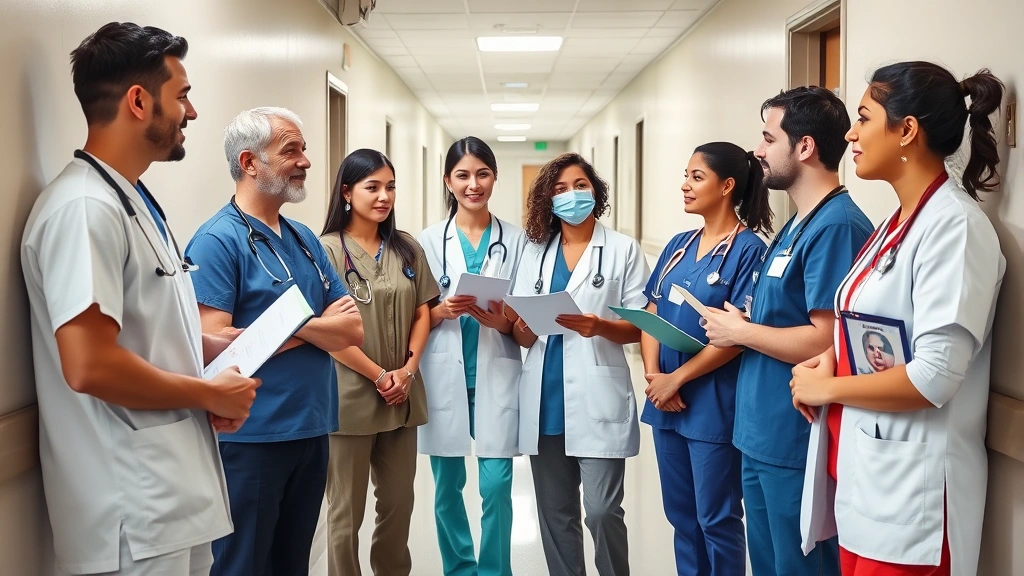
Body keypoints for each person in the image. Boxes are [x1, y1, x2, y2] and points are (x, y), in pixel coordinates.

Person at [20, 22, 260, 575]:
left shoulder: (129, 199)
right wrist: (207, 394)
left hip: (170, 501)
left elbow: (139, 327)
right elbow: (89, 364)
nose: (191, 112)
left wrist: (210, 345)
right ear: (138, 101)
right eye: (182, 95)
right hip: (129, 511)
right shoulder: (84, 208)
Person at [792, 62, 1006, 576]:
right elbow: (872, 323)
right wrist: (831, 358)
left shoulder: (955, 227)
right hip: (867, 477)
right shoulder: (896, 221)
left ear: (906, 130)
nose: (851, 134)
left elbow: (934, 375)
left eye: (864, 118)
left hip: (914, 500)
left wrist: (828, 388)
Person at [700, 86, 873, 576]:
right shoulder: (796, 225)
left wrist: (740, 333)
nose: (758, 150)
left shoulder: (837, 226)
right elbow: (782, 316)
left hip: (796, 436)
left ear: (805, 147)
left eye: (768, 138)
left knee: (800, 567)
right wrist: (743, 324)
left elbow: (825, 339)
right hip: (760, 432)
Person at [184, 107, 362, 576]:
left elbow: (351, 329)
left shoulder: (303, 238)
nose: (306, 161)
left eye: (304, 149)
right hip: (253, 437)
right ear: (249, 162)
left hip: (312, 427)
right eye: (291, 150)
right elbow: (221, 349)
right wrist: (314, 325)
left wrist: (280, 325)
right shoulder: (217, 241)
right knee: (243, 565)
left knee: (292, 565)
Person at [504, 152, 650, 576]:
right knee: (556, 515)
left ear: (596, 191)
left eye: (580, 185)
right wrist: (525, 326)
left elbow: (640, 327)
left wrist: (599, 326)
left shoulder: (622, 249)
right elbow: (521, 334)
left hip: (597, 396)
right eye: (561, 188)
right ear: (548, 199)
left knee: (602, 511)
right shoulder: (535, 251)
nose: (572, 195)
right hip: (545, 398)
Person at [640, 142, 771, 575]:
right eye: (687, 175)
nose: (685, 185)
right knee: (681, 516)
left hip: (712, 404)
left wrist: (677, 379)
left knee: (717, 518)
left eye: (696, 177)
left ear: (727, 185)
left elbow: (737, 335)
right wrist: (655, 377)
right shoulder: (678, 245)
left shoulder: (749, 250)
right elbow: (652, 312)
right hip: (666, 400)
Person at [320, 149, 440, 576]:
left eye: (390, 187)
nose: (384, 196)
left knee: (398, 504)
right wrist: (380, 375)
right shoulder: (326, 251)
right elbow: (326, 332)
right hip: (350, 399)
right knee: (345, 513)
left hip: (400, 398)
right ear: (346, 192)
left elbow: (423, 312)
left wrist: (407, 371)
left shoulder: (406, 248)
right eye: (372, 187)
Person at [418, 137, 528, 576]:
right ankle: (459, 569)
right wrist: (441, 311)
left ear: (494, 177)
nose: (473, 184)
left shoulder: (518, 241)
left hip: (496, 373)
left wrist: (499, 320)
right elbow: (415, 314)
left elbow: (521, 318)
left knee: (497, 484)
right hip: (444, 374)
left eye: (482, 174)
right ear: (448, 181)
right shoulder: (427, 241)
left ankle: (495, 570)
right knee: (447, 488)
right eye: (462, 175)